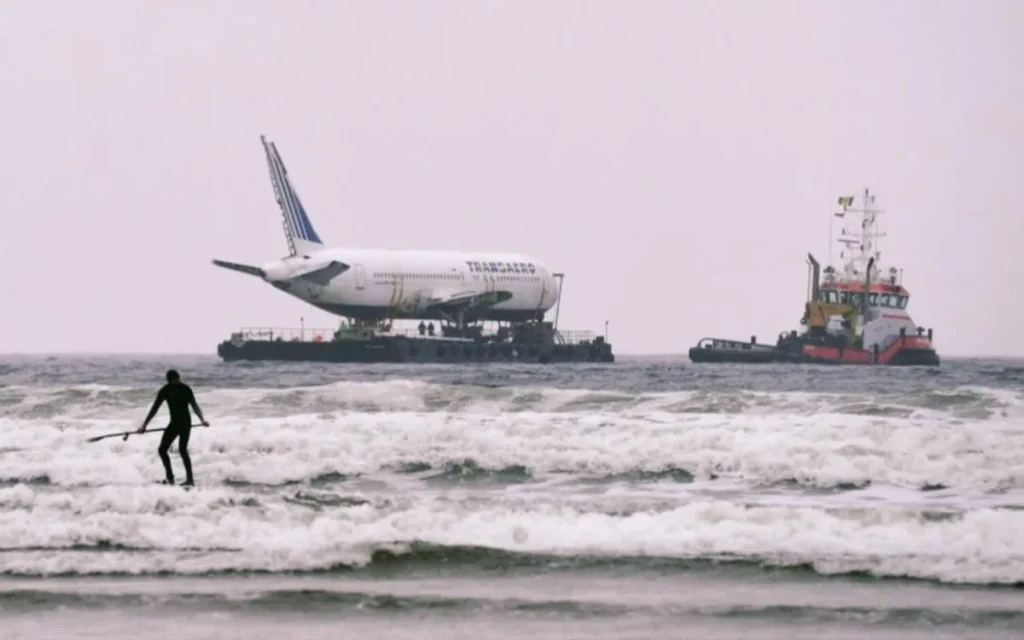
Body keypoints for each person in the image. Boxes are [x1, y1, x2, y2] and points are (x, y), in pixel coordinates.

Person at [137, 369, 210, 486]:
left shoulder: (185, 389)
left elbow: (194, 405)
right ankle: (170, 478)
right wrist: (144, 425)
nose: (177, 381)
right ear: (170, 380)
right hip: (174, 424)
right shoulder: (165, 390)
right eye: (175, 379)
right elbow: (155, 408)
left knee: (182, 450)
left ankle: (190, 480)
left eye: (178, 378)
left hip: (185, 424)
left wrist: (202, 419)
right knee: (162, 450)